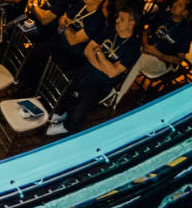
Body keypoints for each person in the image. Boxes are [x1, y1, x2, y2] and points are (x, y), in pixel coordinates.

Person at [48, 7, 141, 136]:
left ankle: (68, 126)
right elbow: (87, 50)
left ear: (132, 23)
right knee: (63, 80)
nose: (117, 20)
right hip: (87, 69)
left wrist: (98, 53)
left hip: (102, 83)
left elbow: (113, 73)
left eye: (122, 19)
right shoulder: (110, 30)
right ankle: (61, 112)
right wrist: (105, 64)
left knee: (86, 98)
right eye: (118, 17)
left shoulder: (134, 47)